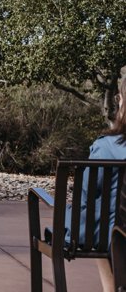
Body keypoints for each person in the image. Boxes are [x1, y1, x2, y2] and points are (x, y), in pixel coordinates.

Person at [64, 73, 126, 292]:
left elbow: (87, 195)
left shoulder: (106, 147)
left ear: (120, 100)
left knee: (98, 223)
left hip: (114, 236)